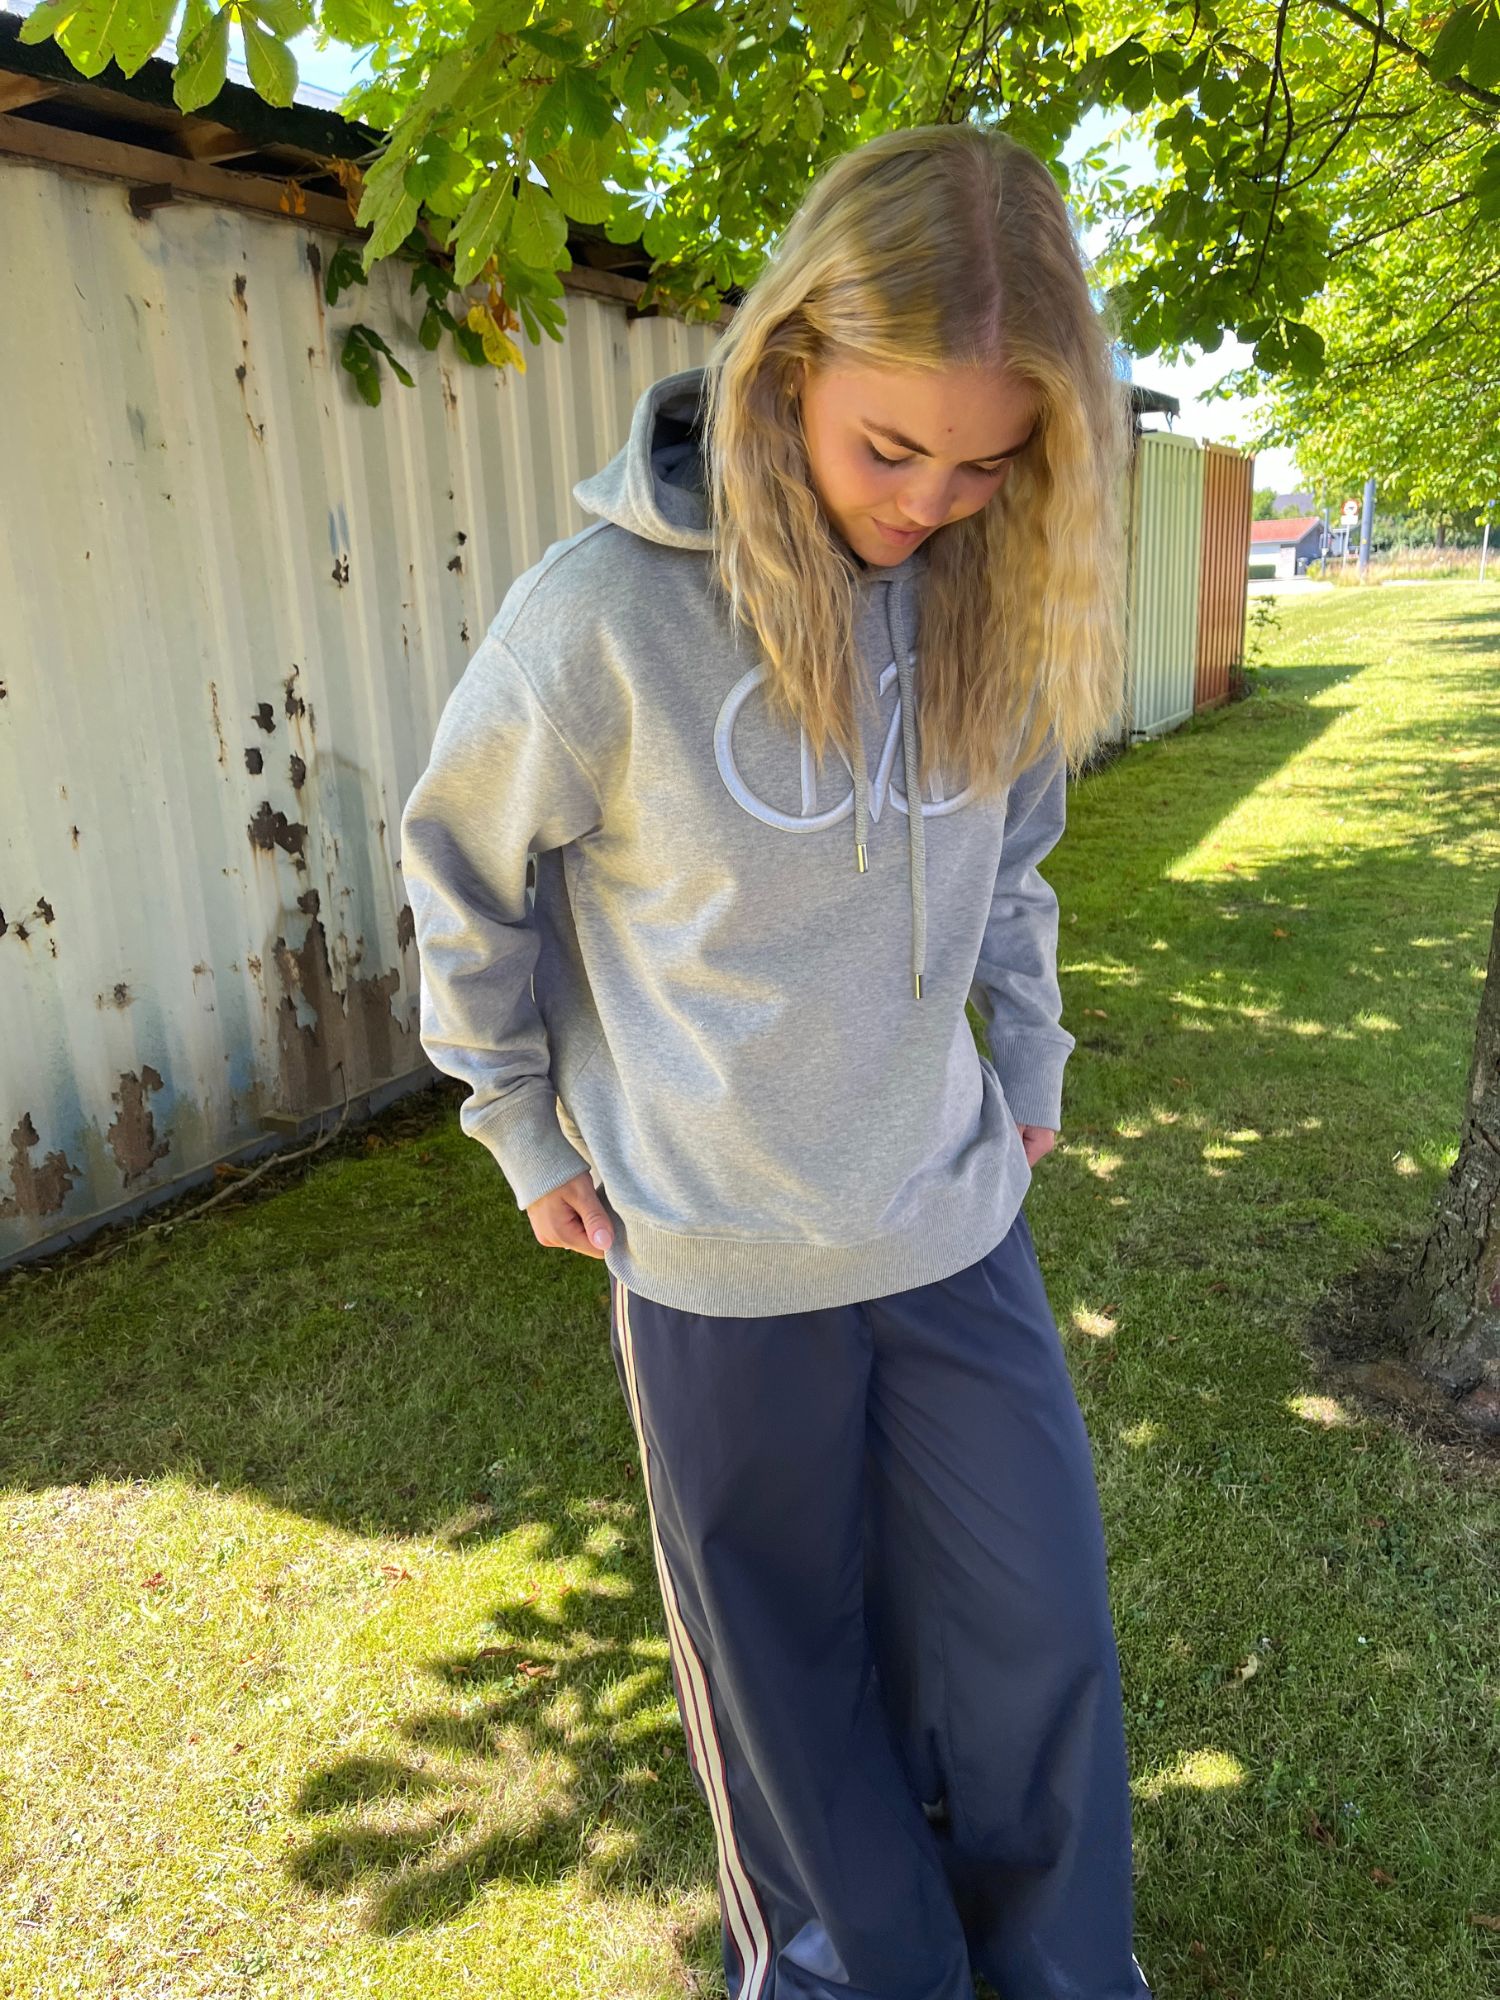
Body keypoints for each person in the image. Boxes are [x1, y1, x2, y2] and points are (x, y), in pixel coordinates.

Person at [402, 124, 1146, 2000]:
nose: (931, 503)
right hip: (718, 1249)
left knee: (1037, 1639)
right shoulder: (600, 616)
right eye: (892, 447)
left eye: (988, 464)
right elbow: (465, 872)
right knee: (791, 1696)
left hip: (951, 1216)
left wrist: (1033, 1058)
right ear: (786, 361)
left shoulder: (991, 592)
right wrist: (515, 1122)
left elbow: (1013, 860)